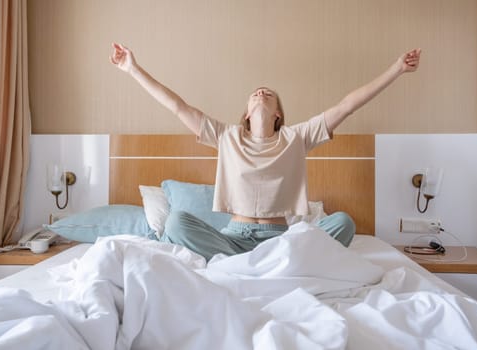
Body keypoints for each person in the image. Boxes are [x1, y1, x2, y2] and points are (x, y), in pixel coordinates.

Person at [110, 43, 421, 260]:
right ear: (246, 113)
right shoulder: (226, 136)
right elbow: (177, 106)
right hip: (231, 239)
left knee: (344, 222)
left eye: (268, 94)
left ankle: (274, 261)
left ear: (277, 114)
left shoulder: (297, 137)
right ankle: (269, 265)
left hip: (282, 241)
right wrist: (132, 69)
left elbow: (347, 106)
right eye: (255, 93)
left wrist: (396, 70)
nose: (261, 93)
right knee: (176, 222)